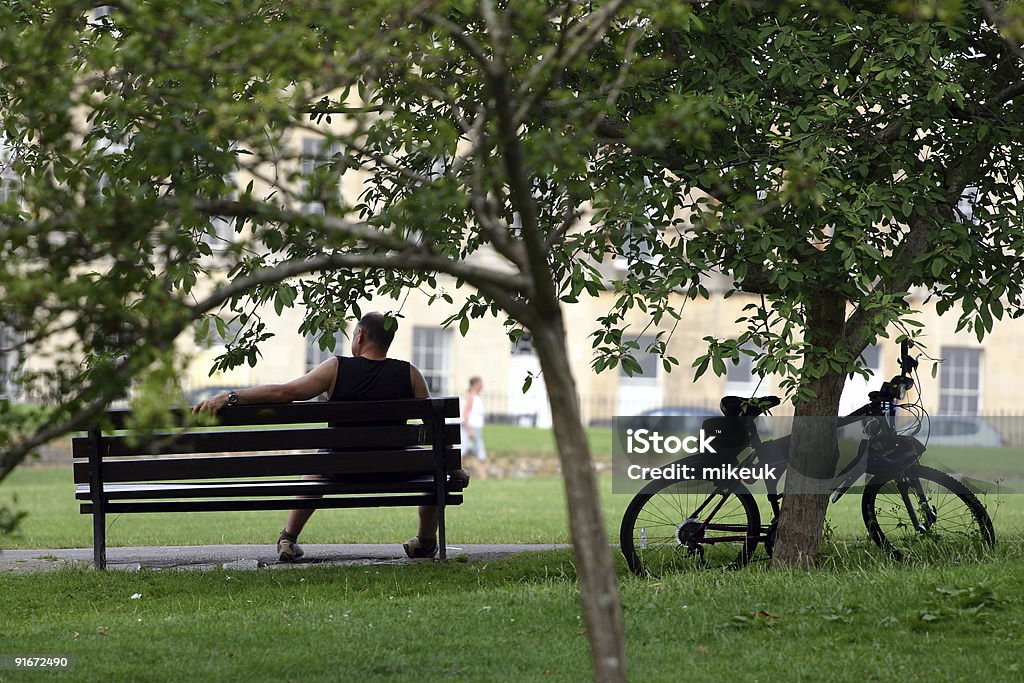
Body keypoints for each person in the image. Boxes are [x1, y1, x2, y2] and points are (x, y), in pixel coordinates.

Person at [193, 311, 464, 561]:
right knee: (432, 471)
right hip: (394, 470)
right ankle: (426, 542)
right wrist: (454, 466)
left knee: (315, 470)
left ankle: (288, 539)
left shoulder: (336, 368)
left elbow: (286, 393)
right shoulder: (410, 373)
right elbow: (435, 427)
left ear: (359, 335)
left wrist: (230, 396)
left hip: (340, 469)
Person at [461, 376, 488, 480]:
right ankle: (460, 473)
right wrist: (469, 430)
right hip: (470, 429)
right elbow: (465, 414)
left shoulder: (476, 397)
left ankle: (483, 474)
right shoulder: (470, 397)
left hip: (477, 429)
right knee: (464, 452)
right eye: (480, 384)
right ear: (475, 385)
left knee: (479, 450)